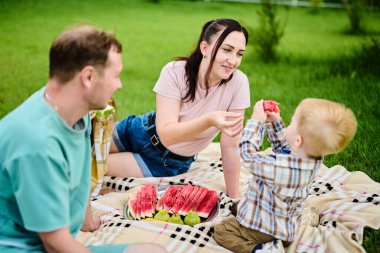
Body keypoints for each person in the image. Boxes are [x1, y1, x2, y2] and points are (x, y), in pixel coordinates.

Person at [0, 25, 166, 253]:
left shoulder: (77, 112)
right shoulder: (37, 144)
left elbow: (81, 173)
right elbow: (55, 244)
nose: (120, 85)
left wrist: (86, 218)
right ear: (88, 77)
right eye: (116, 76)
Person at [107, 18, 250, 198]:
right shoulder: (175, 71)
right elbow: (166, 132)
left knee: (89, 165)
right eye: (227, 50)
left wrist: (234, 197)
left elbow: (230, 146)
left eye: (240, 54)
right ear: (204, 48)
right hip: (139, 131)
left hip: (166, 163)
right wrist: (209, 120)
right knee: (84, 144)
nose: (233, 60)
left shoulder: (239, 83)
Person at [213, 98, 357, 253]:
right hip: (287, 228)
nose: (289, 123)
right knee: (240, 207)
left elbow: (248, 156)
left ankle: (259, 249)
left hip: (263, 230)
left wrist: (255, 122)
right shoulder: (310, 159)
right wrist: (275, 122)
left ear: (298, 140)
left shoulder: (279, 167)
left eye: (292, 121)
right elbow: (286, 147)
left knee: (222, 231)